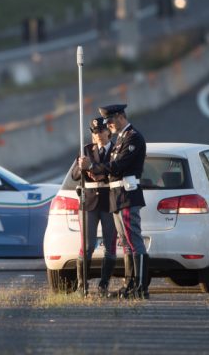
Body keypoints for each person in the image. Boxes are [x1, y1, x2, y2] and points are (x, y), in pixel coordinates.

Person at [97, 104, 149, 299]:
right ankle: (129, 283)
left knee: (134, 241)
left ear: (120, 117)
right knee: (126, 242)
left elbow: (120, 165)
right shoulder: (120, 138)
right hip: (117, 195)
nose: (108, 125)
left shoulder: (133, 137)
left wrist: (96, 167)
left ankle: (141, 287)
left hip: (128, 195)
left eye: (110, 121)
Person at [73, 117, 117, 296]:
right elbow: (75, 175)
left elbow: (114, 170)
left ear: (109, 131)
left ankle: (103, 284)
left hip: (109, 201)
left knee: (110, 245)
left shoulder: (116, 149)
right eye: (95, 132)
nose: (98, 135)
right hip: (89, 202)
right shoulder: (86, 150)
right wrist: (81, 166)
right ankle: (81, 286)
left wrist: (94, 167)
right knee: (88, 245)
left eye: (101, 131)